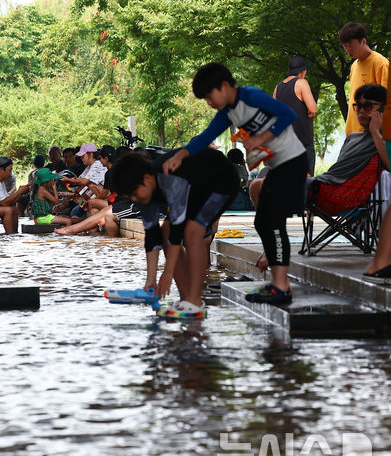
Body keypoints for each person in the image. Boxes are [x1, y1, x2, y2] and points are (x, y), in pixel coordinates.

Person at [163, 62, 307, 305]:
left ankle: (281, 286)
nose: (209, 102)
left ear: (225, 86)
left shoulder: (252, 96)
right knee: (263, 220)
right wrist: (180, 155)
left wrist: (262, 137)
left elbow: (288, 114)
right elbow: (206, 137)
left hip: (293, 160)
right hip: (277, 166)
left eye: (210, 96)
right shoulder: (227, 113)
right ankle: (279, 285)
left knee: (270, 220)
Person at [114, 148, 238, 317]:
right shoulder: (144, 195)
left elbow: (178, 231)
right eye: (130, 197)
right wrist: (151, 280)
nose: (134, 199)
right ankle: (186, 299)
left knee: (192, 232)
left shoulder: (169, 179)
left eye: (135, 194)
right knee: (165, 231)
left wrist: (168, 272)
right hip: (194, 189)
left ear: (148, 179)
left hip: (221, 181)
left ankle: (195, 302)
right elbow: (152, 236)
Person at [338, 22, 389, 136]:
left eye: (351, 45)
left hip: (370, 135)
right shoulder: (354, 66)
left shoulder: (380, 64)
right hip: (352, 132)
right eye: (345, 46)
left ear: (363, 41)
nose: (347, 50)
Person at [273, 56, 318, 175]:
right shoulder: (301, 83)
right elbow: (313, 108)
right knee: (305, 180)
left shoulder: (278, 87)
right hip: (302, 141)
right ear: (302, 71)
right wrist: (309, 110)